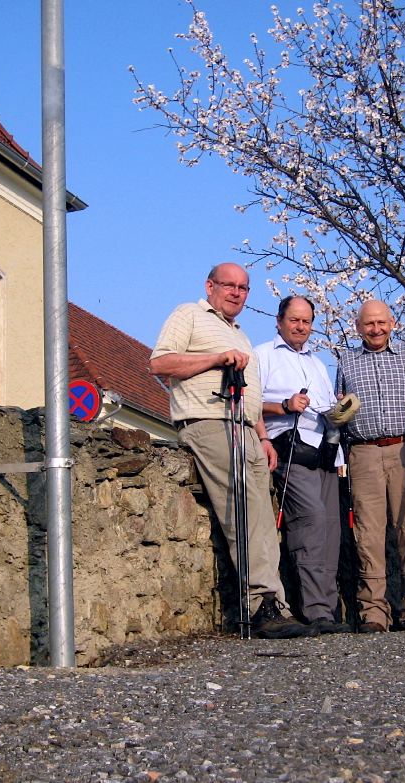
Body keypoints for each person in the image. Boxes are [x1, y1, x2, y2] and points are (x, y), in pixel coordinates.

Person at [150, 264, 316, 639]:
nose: (237, 293)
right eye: (229, 285)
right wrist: (215, 358)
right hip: (210, 421)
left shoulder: (238, 334)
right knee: (243, 511)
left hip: (244, 429)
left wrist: (262, 436)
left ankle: (274, 602)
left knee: (260, 514)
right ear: (209, 286)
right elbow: (160, 363)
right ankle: (260, 606)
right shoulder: (188, 314)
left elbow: (250, 397)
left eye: (244, 287)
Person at [335, 300, 405, 633]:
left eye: (381, 322)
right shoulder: (346, 361)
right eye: (368, 324)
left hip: (404, 448)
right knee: (368, 534)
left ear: (392, 322)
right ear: (358, 327)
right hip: (362, 452)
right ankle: (373, 612)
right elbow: (340, 411)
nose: (375, 329)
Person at [253, 296, 351, 634]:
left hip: (324, 452)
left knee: (330, 531)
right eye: (294, 320)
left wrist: (337, 409)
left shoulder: (317, 364)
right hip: (290, 451)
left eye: (306, 321)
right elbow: (249, 406)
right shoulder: (262, 356)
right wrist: (285, 404)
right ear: (279, 321)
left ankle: (329, 610)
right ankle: (316, 611)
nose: (300, 327)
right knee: (310, 524)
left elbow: (324, 411)